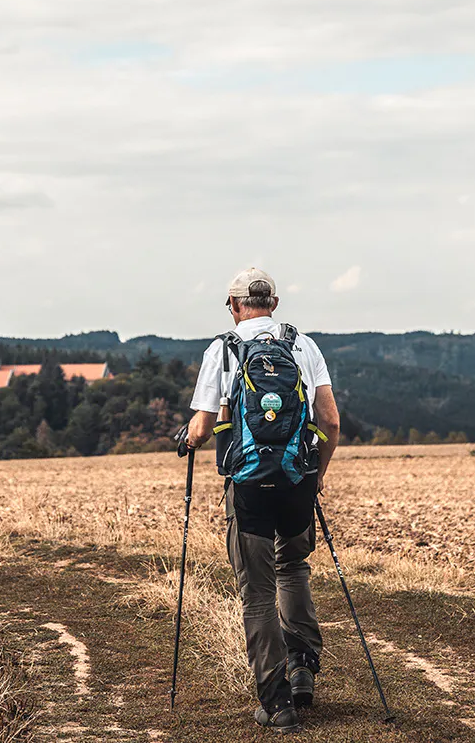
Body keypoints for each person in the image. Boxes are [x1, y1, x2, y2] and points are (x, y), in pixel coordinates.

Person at [182, 267, 340, 734]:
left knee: (256, 592)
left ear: (233, 306)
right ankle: (303, 666)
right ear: (274, 302)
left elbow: (202, 427)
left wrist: (187, 439)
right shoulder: (302, 345)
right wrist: (317, 478)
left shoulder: (223, 350)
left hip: (249, 487)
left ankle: (276, 701)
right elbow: (330, 421)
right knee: (293, 568)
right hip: (296, 481)